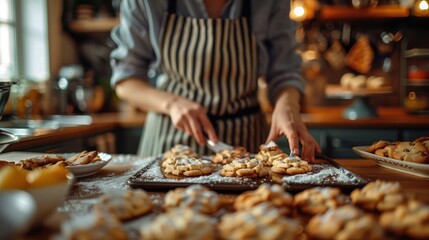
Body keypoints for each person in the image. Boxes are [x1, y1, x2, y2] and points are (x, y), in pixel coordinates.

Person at [110, 0, 321, 162]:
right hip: (169, 141)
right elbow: (126, 80)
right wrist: (172, 104)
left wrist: (287, 105)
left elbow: (285, 72)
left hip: (245, 142)